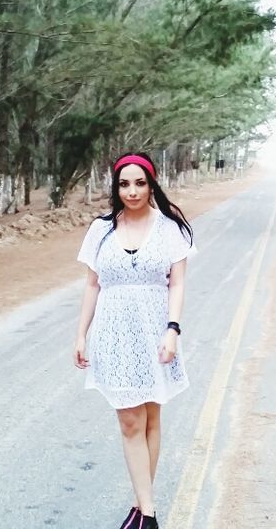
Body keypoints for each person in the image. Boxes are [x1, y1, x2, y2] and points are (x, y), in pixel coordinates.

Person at [74, 152, 195, 529]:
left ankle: (140, 507)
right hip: (113, 332)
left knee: (151, 417)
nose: (132, 191)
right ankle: (150, 516)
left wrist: (173, 329)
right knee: (130, 419)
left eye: (139, 183)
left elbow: (177, 283)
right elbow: (92, 285)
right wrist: (81, 334)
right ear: (116, 187)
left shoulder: (170, 228)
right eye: (124, 184)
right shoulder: (101, 229)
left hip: (156, 330)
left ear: (151, 184)